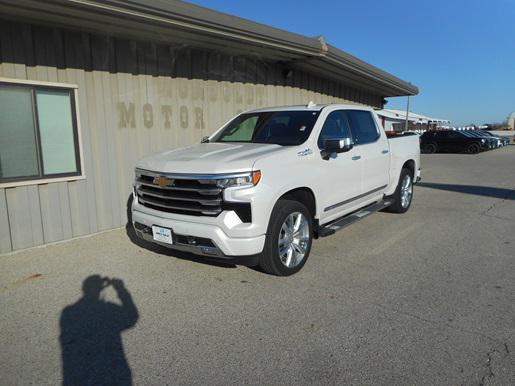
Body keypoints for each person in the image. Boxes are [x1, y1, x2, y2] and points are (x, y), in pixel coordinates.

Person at [59, 275, 139, 386]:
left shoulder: (68, 312)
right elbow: (131, 317)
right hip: (113, 370)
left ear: (84, 289)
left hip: (77, 373)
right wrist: (120, 289)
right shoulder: (108, 309)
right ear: (101, 289)